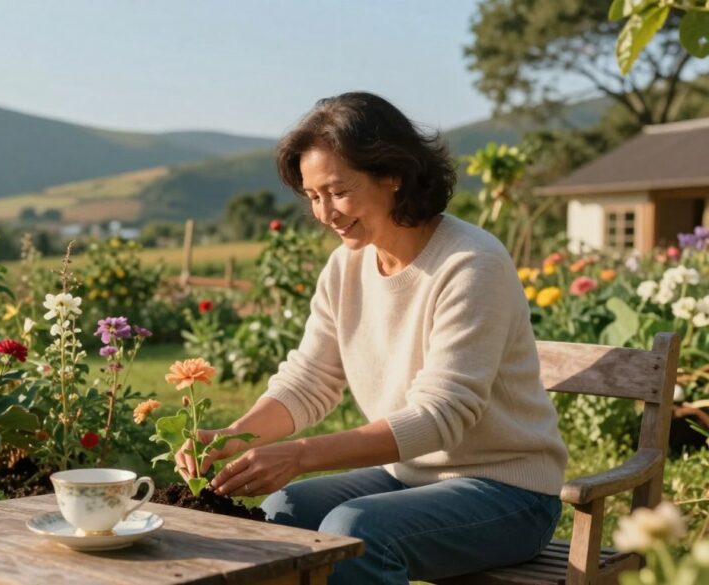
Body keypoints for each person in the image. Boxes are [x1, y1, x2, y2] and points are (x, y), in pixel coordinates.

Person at [175, 92, 568, 584]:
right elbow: (309, 380)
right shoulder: (346, 267)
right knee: (284, 509)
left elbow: (441, 415)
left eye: (338, 191)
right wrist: (235, 437)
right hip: (406, 477)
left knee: (356, 530)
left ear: (393, 174)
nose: (325, 213)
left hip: (508, 493)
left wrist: (300, 455)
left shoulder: (470, 264)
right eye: (313, 197)